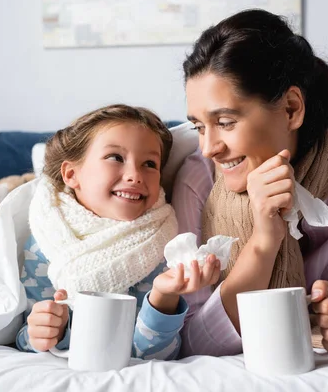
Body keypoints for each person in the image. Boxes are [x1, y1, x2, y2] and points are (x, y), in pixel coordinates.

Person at [168, 9, 328, 357]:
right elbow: (193, 341)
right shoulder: (197, 180)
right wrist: (263, 240)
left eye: (225, 122)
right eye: (198, 126)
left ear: (290, 108)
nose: (208, 147)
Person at [15, 104, 221, 360]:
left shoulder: (164, 243)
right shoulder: (46, 240)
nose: (135, 175)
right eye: (115, 157)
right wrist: (43, 332)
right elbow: (25, 340)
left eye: (149, 163)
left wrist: (162, 297)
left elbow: (156, 355)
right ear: (71, 174)